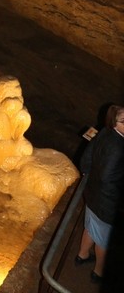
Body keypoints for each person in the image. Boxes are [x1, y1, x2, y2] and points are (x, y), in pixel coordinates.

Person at [76, 104, 124, 283]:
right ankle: (99, 272)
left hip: (92, 193)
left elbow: (87, 157)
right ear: (114, 123)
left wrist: (87, 175)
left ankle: (82, 255)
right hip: (106, 203)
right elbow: (107, 178)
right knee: (104, 240)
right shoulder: (119, 148)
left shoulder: (104, 132)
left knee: (91, 227)